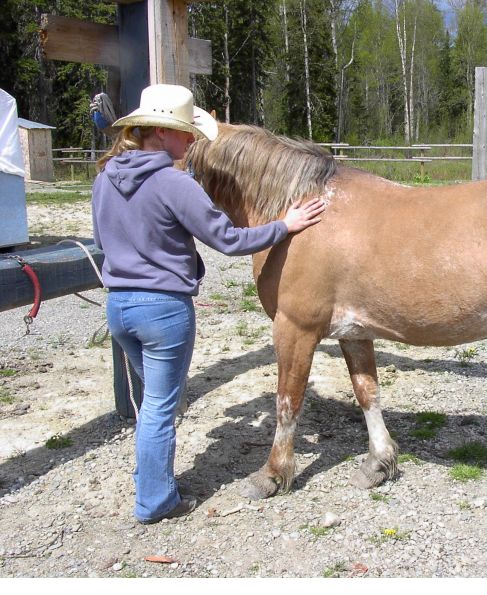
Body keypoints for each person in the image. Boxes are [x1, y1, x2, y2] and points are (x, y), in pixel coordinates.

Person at [92, 83, 326, 524]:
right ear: (160, 134)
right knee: (162, 407)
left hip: (119, 306)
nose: (191, 142)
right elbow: (229, 240)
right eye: (184, 133)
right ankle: (156, 501)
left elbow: (104, 240)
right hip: (162, 309)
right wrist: (285, 225)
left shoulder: (105, 178)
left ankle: (149, 478)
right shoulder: (173, 183)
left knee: (153, 402)